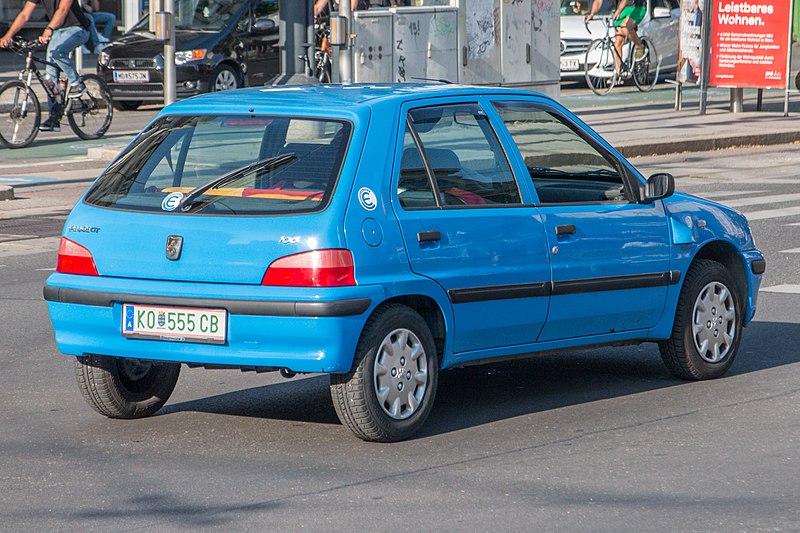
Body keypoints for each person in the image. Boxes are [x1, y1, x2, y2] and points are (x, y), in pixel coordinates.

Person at [0, 0, 90, 132]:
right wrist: (8, 35)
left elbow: (63, 10)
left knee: (58, 52)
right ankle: (54, 118)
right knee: (50, 76)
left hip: (77, 29)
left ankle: (77, 83)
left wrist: (49, 29)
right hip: (56, 32)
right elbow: (25, 14)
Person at [584, 0, 646, 76]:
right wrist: (592, 14)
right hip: (623, 8)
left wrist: (619, 11)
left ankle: (639, 47)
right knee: (618, 43)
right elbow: (598, 1)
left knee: (625, 27)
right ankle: (617, 72)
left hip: (637, 7)